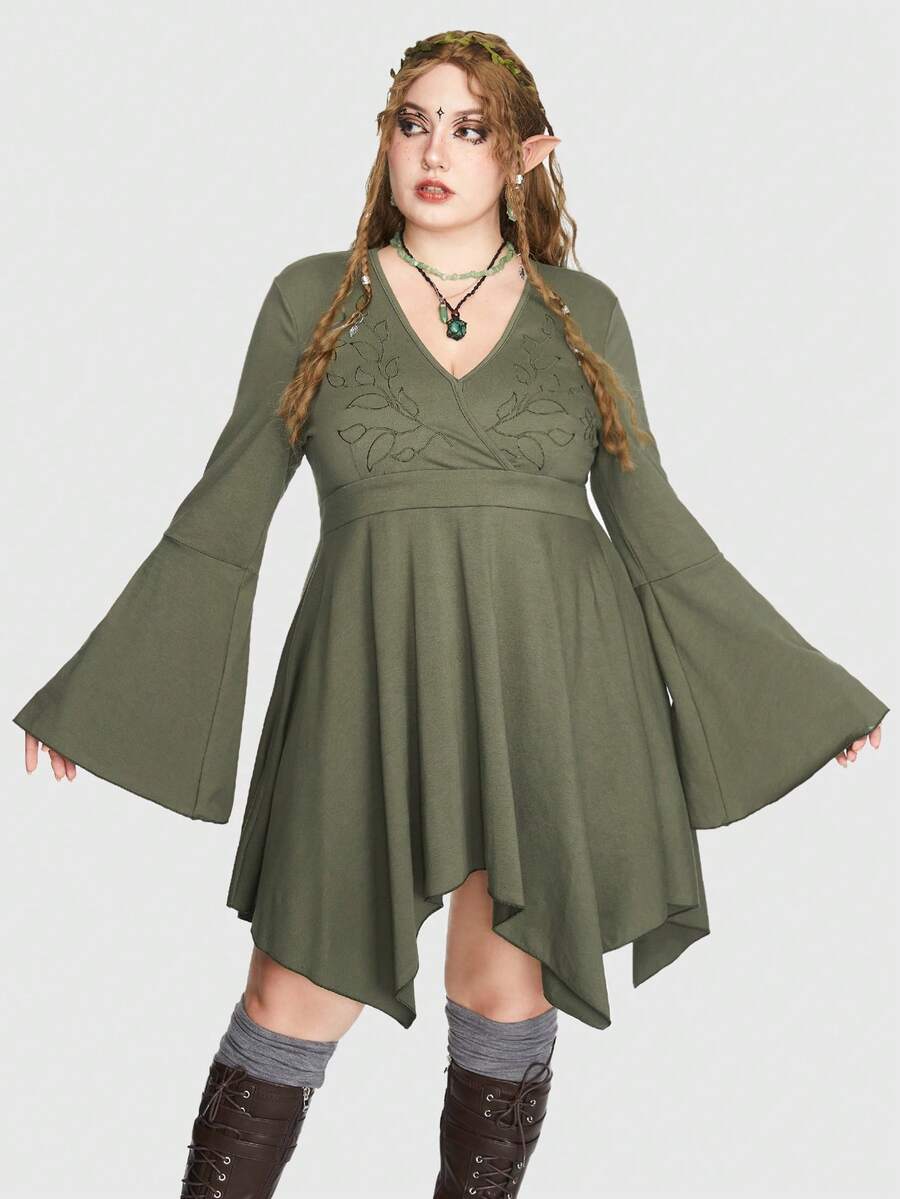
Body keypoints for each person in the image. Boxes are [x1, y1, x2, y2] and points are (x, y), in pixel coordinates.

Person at [13, 28, 888, 1199]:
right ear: (384, 140)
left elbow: (657, 524)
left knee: (505, 983)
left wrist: (805, 695)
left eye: (470, 129)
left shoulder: (583, 311)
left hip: (554, 678)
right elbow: (226, 508)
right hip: (368, 674)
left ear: (526, 153)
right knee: (293, 987)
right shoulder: (314, 298)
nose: (435, 152)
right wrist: (101, 694)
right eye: (412, 123)